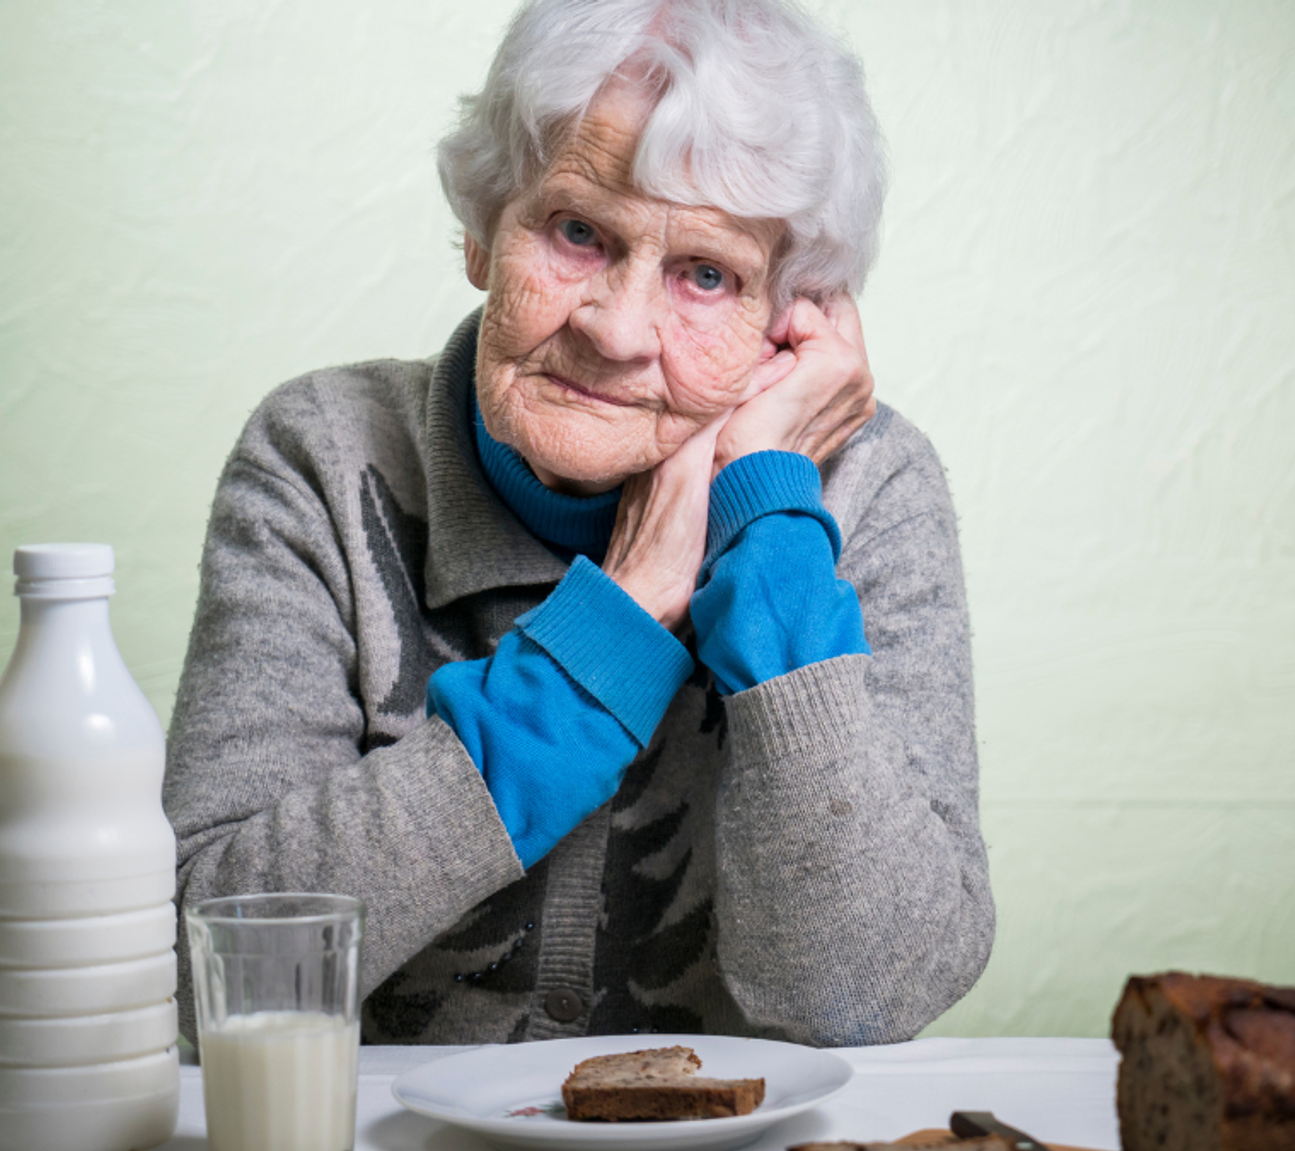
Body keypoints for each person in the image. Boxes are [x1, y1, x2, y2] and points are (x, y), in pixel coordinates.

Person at [166, 0, 993, 1048]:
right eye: (577, 230)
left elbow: (870, 992)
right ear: (482, 228)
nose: (615, 328)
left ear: (790, 322)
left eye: (707, 273)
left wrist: (772, 526)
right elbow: (204, 974)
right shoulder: (325, 460)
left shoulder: (865, 488)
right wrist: (604, 648)